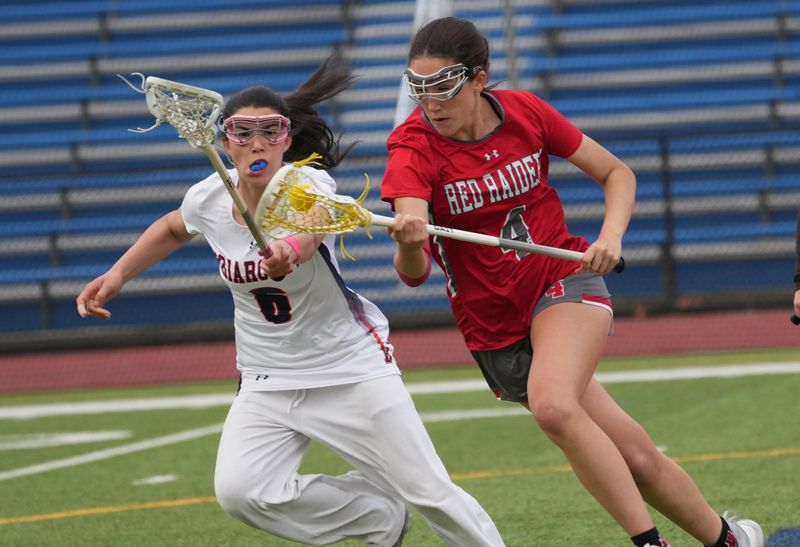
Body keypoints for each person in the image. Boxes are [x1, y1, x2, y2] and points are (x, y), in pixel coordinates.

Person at [76, 54, 505, 547]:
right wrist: (116, 275)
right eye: (243, 133)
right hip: (267, 378)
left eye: (271, 131)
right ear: (224, 142)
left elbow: (311, 231)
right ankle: (376, 518)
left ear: (287, 141)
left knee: (428, 490)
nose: (257, 143)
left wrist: (288, 249)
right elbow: (173, 226)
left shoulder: (306, 185)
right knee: (242, 491)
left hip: (348, 368)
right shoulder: (209, 198)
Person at [381, 16, 765, 547]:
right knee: (631, 451)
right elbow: (414, 274)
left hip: (564, 279)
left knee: (555, 406)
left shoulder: (525, 112)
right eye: (418, 88)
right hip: (494, 326)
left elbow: (617, 174)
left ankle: (650, 544)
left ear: (478, 79)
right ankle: (730, 540)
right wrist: (407, 239)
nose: (431, 102)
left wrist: (610, 237)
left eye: (443, 85)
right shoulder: (412, 146)